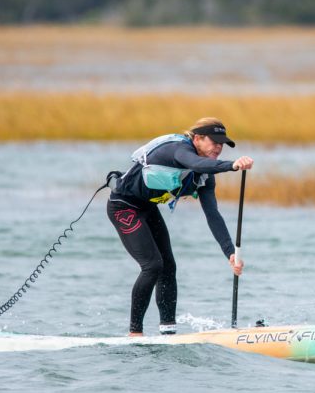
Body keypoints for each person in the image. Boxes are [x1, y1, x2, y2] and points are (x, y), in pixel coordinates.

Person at [107, 117, 254, 336]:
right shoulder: (178, 149)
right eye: (214, 141)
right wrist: (232, 166)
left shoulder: (205, 177)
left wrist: (230, 253)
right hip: (123, 208)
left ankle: (168, 331)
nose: (219, 147)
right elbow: (195, 163)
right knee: (152, 265)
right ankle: (134, 333)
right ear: (197, 139)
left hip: (146, 208)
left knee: (168, 266)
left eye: (222, 143)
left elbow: (213, 215)